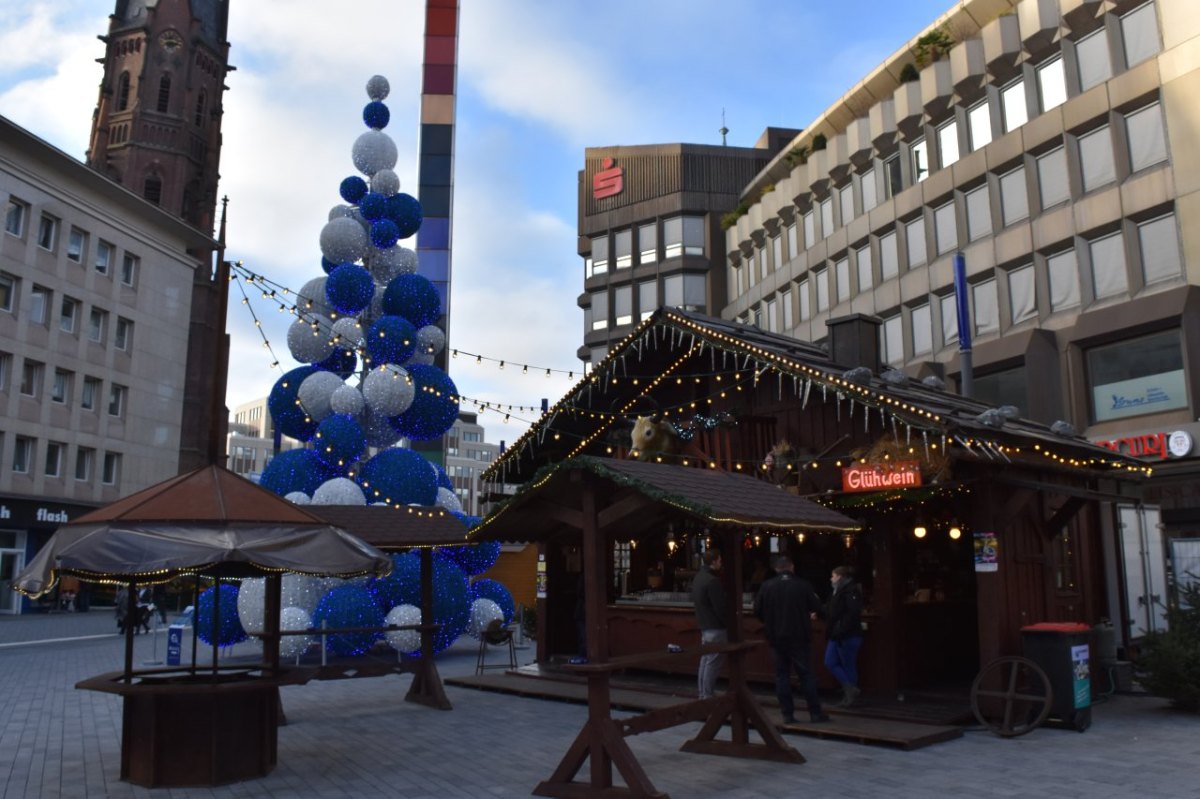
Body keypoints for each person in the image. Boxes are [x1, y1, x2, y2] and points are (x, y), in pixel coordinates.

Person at [754, 554, 830, 724]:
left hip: (776, 637)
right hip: (799, 636)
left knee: (782, 676)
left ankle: (787, 714)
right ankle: (815, 713)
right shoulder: (803, 585)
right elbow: (817, 607)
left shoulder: (767, 586)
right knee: (806, 675)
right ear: (792, 567)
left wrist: (770, 622)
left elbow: (757, 610)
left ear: (776, 569)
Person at [691, 549, 729, 699]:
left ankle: (703, 692)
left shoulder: (698, 577)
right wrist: (729, 623)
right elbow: (719, 607)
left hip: (705, 626)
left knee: (706, 660)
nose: (721, 563)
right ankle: (707, 694)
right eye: (719, 560)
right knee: (713, 663)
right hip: (716, 627)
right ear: (713, 562)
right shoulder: (712, 581)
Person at [824, 565, 864, 707]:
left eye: (833, 576)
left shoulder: (849, 591)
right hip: (837, 633)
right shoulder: (838, 591)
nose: (831, 578)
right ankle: (850, 689)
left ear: (839, 577)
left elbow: (852, 614)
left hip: (846, 634)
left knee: (847, 664)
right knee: (830, 661)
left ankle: (850, 694)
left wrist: (840, 629)